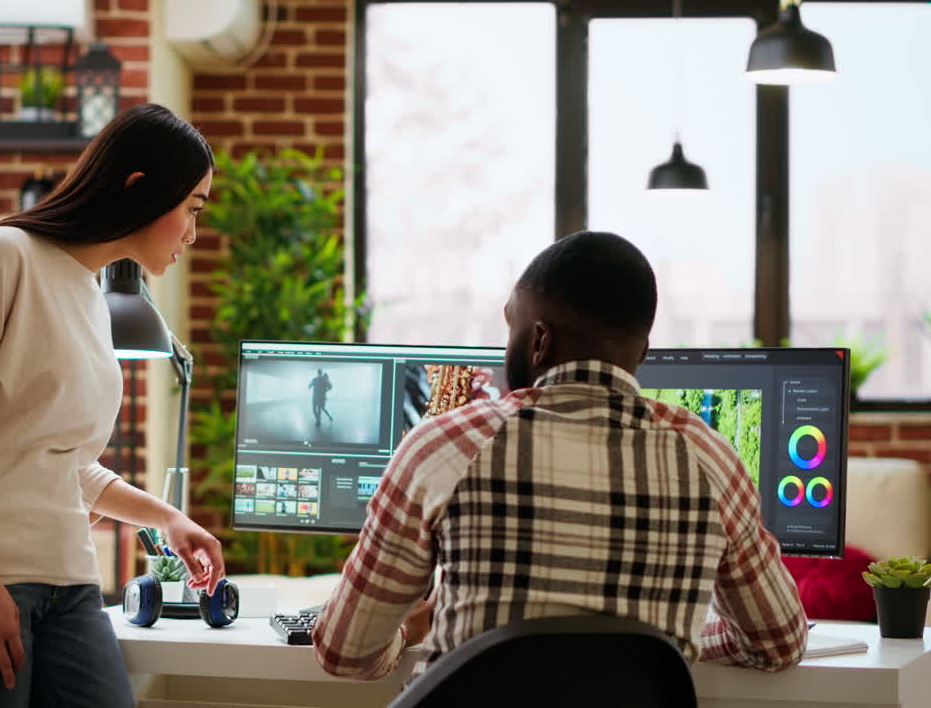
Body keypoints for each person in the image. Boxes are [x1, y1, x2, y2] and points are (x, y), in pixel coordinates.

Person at [313, 231, 807, 684]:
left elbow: (344, 651)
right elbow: (779, 642)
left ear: (539, 340)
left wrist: (407, 637)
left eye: (513, 326)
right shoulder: (709, 460)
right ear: (643, 352)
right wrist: (674, 645)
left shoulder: (445, 447)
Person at [0, 103, 226, 707]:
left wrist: (166, 518)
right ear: (139, 190)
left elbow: (61, 461)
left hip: (67, 580)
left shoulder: (91, 293)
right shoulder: (5, 255)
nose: (194, 234)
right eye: (192, 208)